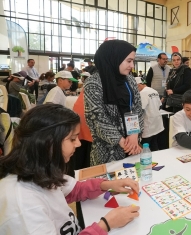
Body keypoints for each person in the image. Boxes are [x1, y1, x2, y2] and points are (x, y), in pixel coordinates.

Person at [0, 104, 140, 234]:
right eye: (72, 139)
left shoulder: (41, 170)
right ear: (48, 143)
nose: (78, 144)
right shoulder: (22, 206)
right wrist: (106, 224)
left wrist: (108, 184)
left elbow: (74, 189)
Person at [84, 40, 144, 166]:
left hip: (132, 146)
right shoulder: (94, 83)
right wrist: (122, 142)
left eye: (133, 61)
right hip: (107, 152)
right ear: (114, 59)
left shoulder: (129, 80)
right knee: (111, 184)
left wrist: (134, 135)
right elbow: (97, 119)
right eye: (129, 61)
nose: (132, 65)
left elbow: (137, 109)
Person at [135, 77, 164, 151]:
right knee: (154, 144)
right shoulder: (154, 90)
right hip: (157, 123)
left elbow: (140, 110)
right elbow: (159, 105)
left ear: (138, 85)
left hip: (148, 124)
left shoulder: (142, 93)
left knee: (144, 146)